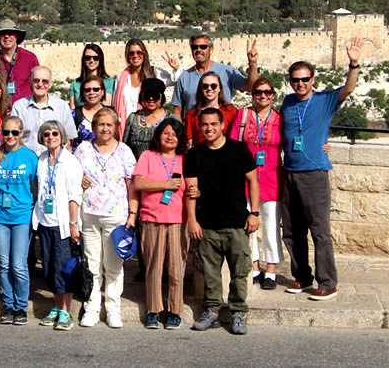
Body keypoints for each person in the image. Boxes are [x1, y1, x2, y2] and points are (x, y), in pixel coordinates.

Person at [280, 38, 363, 302]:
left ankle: (327, 282)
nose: (300, 84)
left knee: (319, 231)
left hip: (314, 173)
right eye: (295, 79)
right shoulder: (288, 102)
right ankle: (302, 275)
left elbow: (348, 89)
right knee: (292, 231)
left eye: (304, 79)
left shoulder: (325, 100)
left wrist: (353, 63)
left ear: (313, 79)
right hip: (289, 172)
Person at [185, 107, 260, 335]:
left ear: (222, 125)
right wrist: (192, 220)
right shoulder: (194, 154)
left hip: (237, 223)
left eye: (213, 124)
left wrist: (254, 213)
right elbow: (191, 190)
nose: (209, 128)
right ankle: (212, 311)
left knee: (239, 273)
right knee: (210, 273)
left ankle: (238, 312)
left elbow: (253, 182)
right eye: (205, 124)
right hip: (207, 224)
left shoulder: (238, 150)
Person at [73, 108, 136, 328]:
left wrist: (133, 214)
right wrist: (79, 178)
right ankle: (91, 306)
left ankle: (113, 308)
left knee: (113, 264)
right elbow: (71, 175)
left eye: (109, 125)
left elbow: (132, 186)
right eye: (101, 124)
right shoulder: (82, 149)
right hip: (89, 213)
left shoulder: (125, 151)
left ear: (116, 127)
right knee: (92, 263)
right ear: (94, 127)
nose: (105, 129)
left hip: (116, 214)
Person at [130, 119, 188, 330]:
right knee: (153, 268)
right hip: (151, 219)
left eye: (174, 133)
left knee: (175, 269)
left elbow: (192, 187)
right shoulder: (148, 156)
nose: (170, 136)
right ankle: (153, 310)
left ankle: (175, 310)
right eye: (166, 132)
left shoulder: (185, 159)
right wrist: (164, 185)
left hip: (178, 221)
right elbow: (138, 183)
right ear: (158, 135)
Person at [229, 77, 284, 291]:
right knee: (247, 226)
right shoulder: (243, 116)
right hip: (246, 179)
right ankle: (253, 265)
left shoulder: (280, 118)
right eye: (259, 92)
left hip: (271, 178)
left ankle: (271, 269)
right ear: (253, 95)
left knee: (270, 225)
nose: (263, 96)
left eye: (267, 92)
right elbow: (234, 144)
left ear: (273, 94)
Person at [0, 115, 39, 325]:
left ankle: (21, 306)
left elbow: (36, 186)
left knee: (19, 264)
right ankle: (8, 305)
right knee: (4, 262)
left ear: (21, 134)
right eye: (6, 132)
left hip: (22, 214)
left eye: (14, 132)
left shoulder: (30, 157)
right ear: (1, 133)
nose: (10, 136)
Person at [32, 120, 83, 331]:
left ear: (62, 136)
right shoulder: (42, 159)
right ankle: (57, 305)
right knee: (49, 268)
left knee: (63, 268)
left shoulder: (70, 162)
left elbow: (74, 195)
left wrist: (73, 224)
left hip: (63, 223)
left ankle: (66, 310)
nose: (51, 137)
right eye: (46, 134)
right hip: (44, 220)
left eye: (54, 133)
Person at [171, 35, 258, 119]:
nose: (198, 50)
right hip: (195, 130)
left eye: (203, 47)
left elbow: (251, 87)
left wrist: (253, 64)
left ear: (211, 49)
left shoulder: (227, 71)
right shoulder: (184, 77)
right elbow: (177, 109)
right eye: (195, 47)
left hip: (224, 130)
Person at [111, 38, 180, 133]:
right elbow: (115, 104)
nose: (135, 56)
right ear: (127, 56)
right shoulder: (121, 78)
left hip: (152, 128)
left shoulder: (156, 73)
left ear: (144, 54)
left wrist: (176, 68)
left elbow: (179, 82)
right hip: (125, 130)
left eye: (139, 52)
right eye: (131, 53)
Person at [11, 65, 79, 154]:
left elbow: (69, 139)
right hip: (26, 161)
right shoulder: (19, 106)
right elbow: (12, 136)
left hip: (53, 161)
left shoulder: (62, 106)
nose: (40, 84)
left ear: (50, 84)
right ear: (30, 82)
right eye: (36, 80)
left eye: (45, 81)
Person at [0, 19, 40, 102]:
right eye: (2, 33)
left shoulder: (30, 58)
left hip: (24, 111)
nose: (7, 36)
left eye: (11, 33)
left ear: (16, 35)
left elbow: (38, 85)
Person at [122, 78, 180, 159]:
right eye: (147, 95)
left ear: (161, 97)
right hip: (136, 169)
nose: (151, 98)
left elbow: (178, 149)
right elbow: (125, 147)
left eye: (155, 95)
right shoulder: (133, 118)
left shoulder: (171, 119)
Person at [184, 71, 239, 147]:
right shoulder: (192, 114)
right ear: (201, 88)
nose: (209, 89)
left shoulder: (231, 111)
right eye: (205, 86)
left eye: (213, 86)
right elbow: (189, 142)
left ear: (219, 88)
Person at [68, 44, 115, 109]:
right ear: (84, 60)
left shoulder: (109, 82)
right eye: (88, 58)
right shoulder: (75, 84)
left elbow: (106, 106)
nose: (91, 60)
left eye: (95, 58)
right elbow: (72, 110)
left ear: (100, 60)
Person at [72, 76, 107, 148]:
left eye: (96, 89)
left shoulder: (110, 114)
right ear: (83, 93)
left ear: (102, 92)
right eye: (87, 90)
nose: (91, 92)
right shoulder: (74, 114)